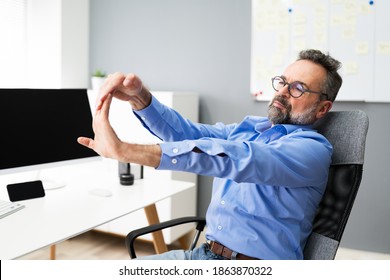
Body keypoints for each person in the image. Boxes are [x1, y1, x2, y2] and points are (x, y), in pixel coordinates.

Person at [78, 49, 342, 260]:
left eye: (298, 88)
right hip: (203, 255)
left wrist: (126, 151)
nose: (282, 92)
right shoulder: (249, 129)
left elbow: (237, 159)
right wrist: (141, 98)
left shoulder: (312, 150)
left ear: (322, 108)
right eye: (282, 82)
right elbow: (188, 134)